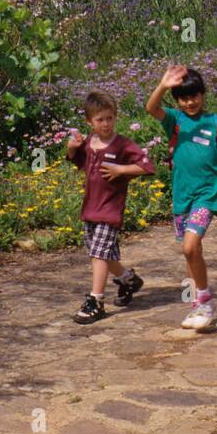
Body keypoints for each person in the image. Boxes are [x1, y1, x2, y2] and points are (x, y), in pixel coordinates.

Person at [146, 65, 217, 330]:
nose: (190, 102)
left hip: (207, 194)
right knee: (192, 253)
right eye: (183, 98)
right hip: (182, 196)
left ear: (203, 94)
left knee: (189, 247)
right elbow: (151, 108)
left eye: (194, 96)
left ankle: (205, 299)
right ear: (177, 100)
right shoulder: (175, 121)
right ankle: (198, 306)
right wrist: (163, 85)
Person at [66, 90, 154, 324]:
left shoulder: (123, 145)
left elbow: (146, 166)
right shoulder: (88, 144)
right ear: (89, 122)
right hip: (91, 209)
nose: (105, 124)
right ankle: (128, 279)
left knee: (98, 254)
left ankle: (96, 301)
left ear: (115, 117)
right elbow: (76, 161)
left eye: (109, 118)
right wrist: (72, 148)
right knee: (104, 255)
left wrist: (121, 170)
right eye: (99, 119)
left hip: (110, 210)